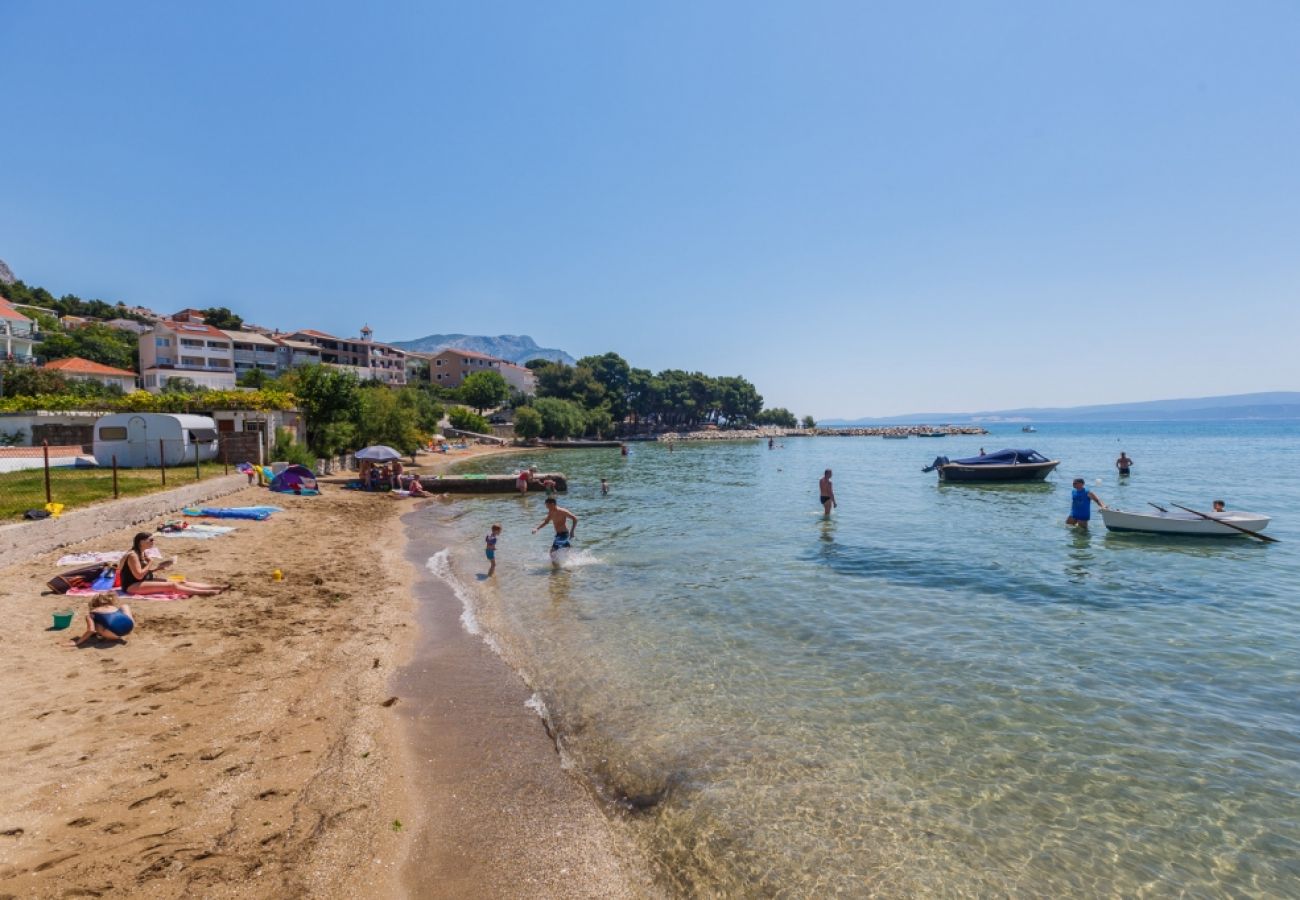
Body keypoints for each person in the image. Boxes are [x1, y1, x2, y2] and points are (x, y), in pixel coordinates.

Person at [120, 533, 226, 597]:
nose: (153, 542)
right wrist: (150, 562)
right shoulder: (133, 555)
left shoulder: (142, 552)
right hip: (132, 586)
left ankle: (216, 587)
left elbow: (140, 572)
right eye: (151, 540)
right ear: (141, 542)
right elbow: (138, 575)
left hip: (143, 581)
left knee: (181, 581)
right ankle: (207, 593)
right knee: (172, 586)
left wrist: (158, 568)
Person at [67, 593, 134, 646]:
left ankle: (107, 635)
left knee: (95, 619)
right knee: (124, 606)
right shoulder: (113, 607)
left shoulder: (92, 612)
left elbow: (91, 630)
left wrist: (77, 642)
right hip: (129, 628)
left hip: (113, 633)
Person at [532, 498, 578, 565]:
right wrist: (537, 528)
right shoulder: (551, 512)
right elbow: (546, 522)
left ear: (552, 504)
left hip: (564, 534)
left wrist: (572, 531)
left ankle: (555, 570)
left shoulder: (563, 511)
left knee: (552, 552)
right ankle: (567, 565)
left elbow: (575, 519)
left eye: (547, 505)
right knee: (559, 552)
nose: (546, 507)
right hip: (558, 535)